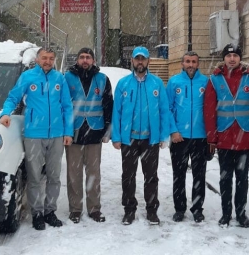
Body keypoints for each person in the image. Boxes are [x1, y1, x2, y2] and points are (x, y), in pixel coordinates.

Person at [0, 48, 74, 231]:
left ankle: (50, 211)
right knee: (34, 177)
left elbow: (67, 106)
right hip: (33, 134)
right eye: (44, 58)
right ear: (38, 59)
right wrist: (5, 113)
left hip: (56, 135)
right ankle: (37, 213)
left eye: (51, 58)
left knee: (54, 176)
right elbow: (13, 97)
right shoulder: (28, 77)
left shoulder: (59, 78)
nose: (48, 61)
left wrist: (68, 132)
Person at [204, 44, 249, 228]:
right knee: (225, 178)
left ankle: (241, 213)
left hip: (244, 136)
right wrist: (211, 137)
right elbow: (209, 110)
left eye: (235, 56)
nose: (232, 59)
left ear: (240, 58)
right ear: (224, 58)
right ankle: (226, 213)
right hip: (224, 137)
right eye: (228, 55)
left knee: (242, 178)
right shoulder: (215, 79)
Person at [112, 46, 170, 226]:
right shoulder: (123, 84)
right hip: (129, 139)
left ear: (148, 61)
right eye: (137, 59)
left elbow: (164, 111)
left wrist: (164, 135)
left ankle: (152, 210)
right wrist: (116, 136)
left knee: (151, 177)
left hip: (150, 140)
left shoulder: (157, 83)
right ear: (132, 61)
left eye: (143, 59)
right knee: (128, 176)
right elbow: (117, 112)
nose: (140, 62)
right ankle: (129, 210)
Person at [64, 48, 113, 224]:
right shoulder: (67, 78)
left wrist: (108, 130)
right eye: (82, 57)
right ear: (77, 60)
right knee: (74, 174)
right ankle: (75, 209)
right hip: (74, 134)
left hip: (95, 133)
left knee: (94, 174)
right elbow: (63, 105)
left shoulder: (102, 79)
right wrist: (65, 130)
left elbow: (108, 106)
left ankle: (94, 209)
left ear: (93, 60)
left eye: (88, 57)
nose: (85, 60)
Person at [166, 51, 209, 223]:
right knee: (179, 175)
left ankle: (197, 209)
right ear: (182, 64)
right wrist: (173, 131)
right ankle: (179, 208)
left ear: (198, 64)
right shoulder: (174, 82)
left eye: (194, 62)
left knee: (199, 175)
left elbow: (211, 109)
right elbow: (167, 108)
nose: (190, 64)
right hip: (179, 137)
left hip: (200, 137)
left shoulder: (206, 82)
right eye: (187, 61)